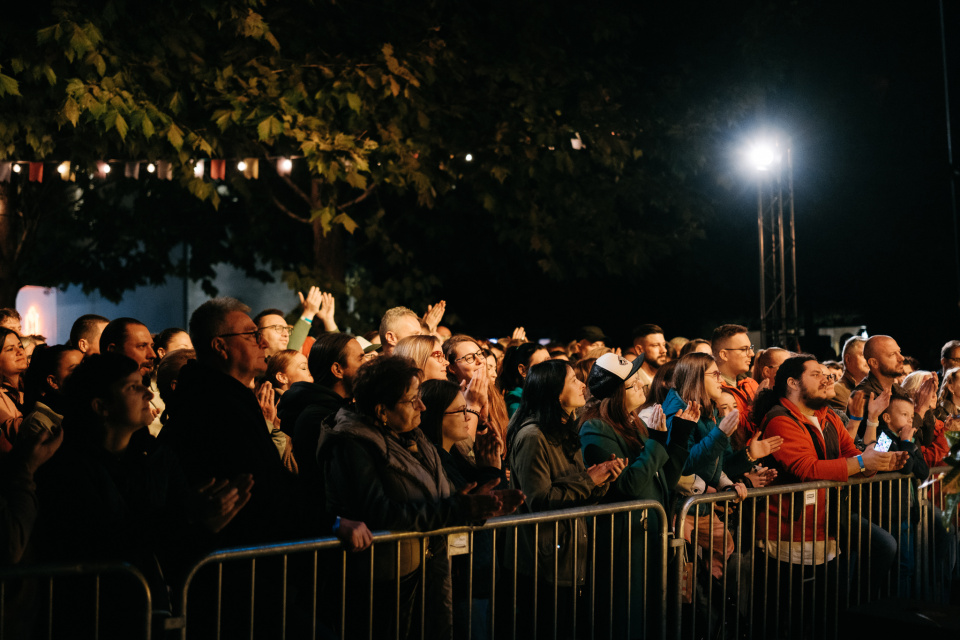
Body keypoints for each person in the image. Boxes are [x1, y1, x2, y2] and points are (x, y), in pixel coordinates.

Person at [34, 353, 253, 635]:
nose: (148, 393)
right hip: (93, 616)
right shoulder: (67, 466)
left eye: (143, 384)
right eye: (132, 387)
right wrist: (186, 516)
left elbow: (175, 541)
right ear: (101, 406)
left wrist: (209, 526)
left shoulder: (157, 456)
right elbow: (97, 538)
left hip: (156, 608)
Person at [318, 356, 520, 640]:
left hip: (422, 572)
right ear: (382, 410)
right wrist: (457, 507)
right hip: (380, 582)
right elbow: (381, 512)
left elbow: (436, 496)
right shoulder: (352, 445)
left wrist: (471, 502)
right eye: (412, 400)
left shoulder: (414, 438)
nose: (422, 406)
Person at [752, 354, 907, 617]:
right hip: (791, 530)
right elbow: (807, 468)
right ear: (792, 382)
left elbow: (851, 456)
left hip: (826, 524)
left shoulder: (828, 417)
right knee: (795, 614)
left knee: (828, 609)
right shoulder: (780, 419)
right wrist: (863, 461)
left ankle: (857, 615)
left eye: (827, 374)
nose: (827, 378)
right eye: (816, 374)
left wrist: (880, 462)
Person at [506, 359, 625, 639]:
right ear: (554, 392)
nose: (583, 385)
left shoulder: (563, 430)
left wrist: (603, 480)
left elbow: (575, 492)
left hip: (569, 556)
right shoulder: (533, 435)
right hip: (544, 563)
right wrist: (589, 480)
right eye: (573, 380)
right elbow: (539, 499)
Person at [579, 353, 696, 639]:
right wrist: (656, 441)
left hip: (648, 535)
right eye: (633, 384)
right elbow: (629, 486)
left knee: (652, 614)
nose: (643, 386)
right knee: (627, 616)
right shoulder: (595, 428)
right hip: (624, 541)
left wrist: (678, 438)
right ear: (616, 394)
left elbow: (662, 481)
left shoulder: (635, 423)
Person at [419, 378, 506, 640]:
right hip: (458, 575)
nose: (469, 417)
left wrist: (489, 465)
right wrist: (490, 473)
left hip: (475, 569)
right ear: (435, 417)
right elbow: (479, 505)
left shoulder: (454, 455)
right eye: (460, 411)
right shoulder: (433, 460)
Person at [445, 334, 510, 451]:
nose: (480, 361)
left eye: (480, 354)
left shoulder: (493, 393)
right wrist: (473, 407)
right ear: (452, 368)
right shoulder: (449, 401)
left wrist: (482, 424)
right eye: (469, 358)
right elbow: (463, 451)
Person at [20, 344, 83, 435]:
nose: (84, 371)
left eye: (84, 364)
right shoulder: (37, 422)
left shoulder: (77, 406)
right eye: (75, 369)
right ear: (53, 381)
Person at [712, 324, 759, 436]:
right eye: (744, 349)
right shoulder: (713, 391)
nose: (751, 354)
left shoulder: (751, 383)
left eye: (750, 348)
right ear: (724, 355)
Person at [498, 342, 550, 417]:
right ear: (523, 370)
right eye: (543, 365)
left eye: (550, 362)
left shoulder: (542, 397)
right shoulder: (516, 406)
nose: (550, 369)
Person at [0, 328, 27, 453]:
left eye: (20, 346)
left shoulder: (28, 386)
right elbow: (18, 432)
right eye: (10, 349)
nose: (19, 352)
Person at [829, 336, 868, 412]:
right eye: (864, 355)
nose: (869, 359)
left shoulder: (871, 387)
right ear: (848, 359)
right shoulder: (836, 391)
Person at [632, 323, 668, 396]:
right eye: (655, 345)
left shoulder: (669, 377)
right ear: (639, 350)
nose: (664, 350)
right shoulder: (632, 382)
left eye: (664, 345)